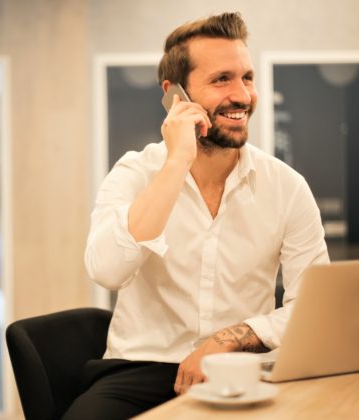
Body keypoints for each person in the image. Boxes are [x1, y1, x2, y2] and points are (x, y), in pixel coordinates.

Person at [65, 12, 329, 419]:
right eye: (222, 79)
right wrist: (177, 162)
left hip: (242, 369)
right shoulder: (135, 173)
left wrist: (232, 338)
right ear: (176, 96)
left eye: (247, 77)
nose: (242, 95)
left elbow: (312, 308)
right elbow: (107, 271)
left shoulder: (287, 188)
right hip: (139, 370)